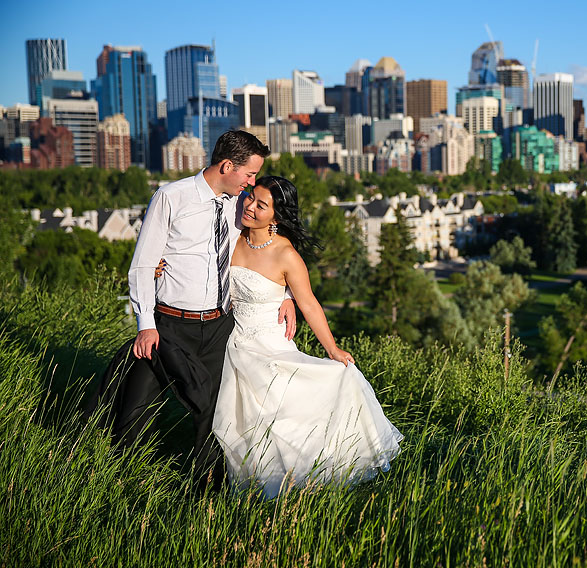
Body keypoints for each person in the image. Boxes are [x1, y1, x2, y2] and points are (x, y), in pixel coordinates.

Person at [95, 130, 297, 486]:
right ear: (227, 166)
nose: (252, 184)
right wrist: (145, 325)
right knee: (134, 410)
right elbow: (142, 265)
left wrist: (286, 296)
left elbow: (265, 251)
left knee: (213, 413)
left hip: (220, 326)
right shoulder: (171, 198)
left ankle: (206, 491)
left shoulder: (241, 206)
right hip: (169, 324)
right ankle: (121, 482)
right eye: (249, 174)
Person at [210, 176, 402, 498]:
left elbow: (309, 303)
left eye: (261, 205)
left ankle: (291, 489)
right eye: (250, 198)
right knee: (239, 424)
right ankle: (252, 491)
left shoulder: (286, 255)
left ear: (277, 216)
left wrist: (333, 349)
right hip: (233, 343)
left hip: (269, 345)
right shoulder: (232, 231)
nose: (250, 207)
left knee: (279, 420)